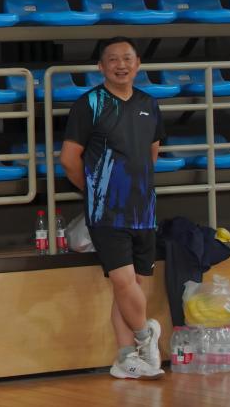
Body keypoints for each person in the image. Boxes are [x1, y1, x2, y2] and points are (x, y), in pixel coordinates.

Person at [59, 36, 165, 380]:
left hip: (143, 208)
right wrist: (95, 190)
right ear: (101, 66)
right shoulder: (88, 104)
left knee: (132, 285)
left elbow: (151, 152)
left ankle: (124, 358)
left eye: (127, 58)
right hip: (106, 211)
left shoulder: (149, 103)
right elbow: (69, 159)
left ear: (138, 64)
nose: (121, 65)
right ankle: (146, 336)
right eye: (113, 59)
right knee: (123, 280)